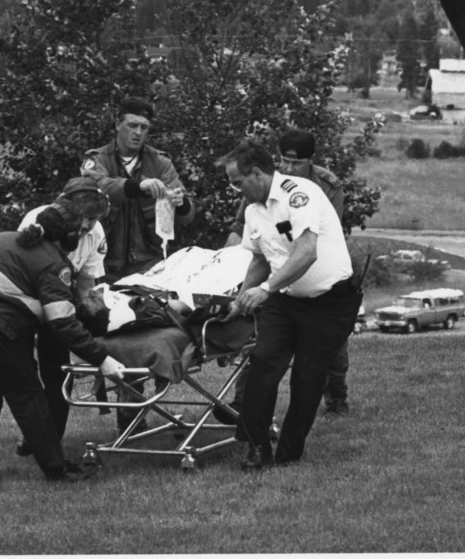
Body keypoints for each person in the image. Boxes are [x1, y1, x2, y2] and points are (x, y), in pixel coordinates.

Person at [0, 200, 126, 488]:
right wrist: (102, 358)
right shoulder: (54, 264)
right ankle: (58, 470)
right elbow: (62, 322)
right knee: (30, 397)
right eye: (77, 232)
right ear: (66, 236)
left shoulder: (5, 238)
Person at [216, 140, 361, 472]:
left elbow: (306, 252)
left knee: (308, 380)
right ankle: (256, 446)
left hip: (328, 302)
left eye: (237, 182)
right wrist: (240, 298)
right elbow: (259, 261)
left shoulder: (300, 193)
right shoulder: (254, 210)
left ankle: (290, 451)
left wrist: (265, 290)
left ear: (256, 173)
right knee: (263, 363)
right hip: (284, 299)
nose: (235, 190)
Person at [13, 177, 111, 457]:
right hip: (28, 300)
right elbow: (26, 273)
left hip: (61, 300)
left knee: (56, 375)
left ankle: (49, 439)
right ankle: (33, 431)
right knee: (26, 376)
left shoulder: (96, 231)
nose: (89, 225)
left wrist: (86, 317)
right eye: (86, 218)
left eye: (95, 218)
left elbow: (86, 283)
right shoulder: (38, 220)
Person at [80, 96, 195, 282]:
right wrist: (139, 186)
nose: (138, 132)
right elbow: (95, 187)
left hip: (148, 264)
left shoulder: (160, 163)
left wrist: (181, 203)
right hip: (102, 260)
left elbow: (187, 218)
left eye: (144, 127)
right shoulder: (97, 159)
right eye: (132, 125)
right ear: (118, 124)